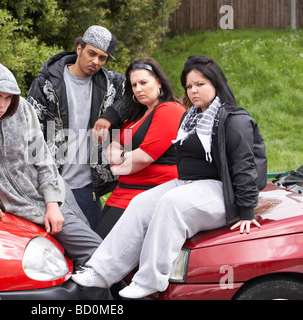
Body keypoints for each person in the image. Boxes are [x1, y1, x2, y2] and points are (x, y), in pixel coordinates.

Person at [72, 55, 267, 299]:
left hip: (223, 190)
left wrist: (247, 210)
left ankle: (150, 280)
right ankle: (101, 271)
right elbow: (128, 103)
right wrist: (112, 116)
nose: (193, 91)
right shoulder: (191, 117)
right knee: (141, 202)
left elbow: (244, 165)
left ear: (216, 83)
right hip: (191, 184)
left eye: (200, 84)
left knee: (171, 203)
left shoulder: (233, 119)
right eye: (189, 86)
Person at [0, 62, 109, 299]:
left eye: (7, 97)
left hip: (49, 201)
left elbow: (43, 158)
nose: (2, 105)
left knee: (97, 254)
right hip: (10, 212)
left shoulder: (22, 109)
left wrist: (52, 203)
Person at [27, 25, 127, 229]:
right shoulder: (46, 83)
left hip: (87, 187)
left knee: (95, 251)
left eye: (102, 58)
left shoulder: (111, 84)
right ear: (79, 48)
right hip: (52, 185)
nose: (96, 62)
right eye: (92, 53)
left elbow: (138, 95)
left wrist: (110, 115)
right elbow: (31, 132)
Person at [95, 57, 186, 239]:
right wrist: (126, 158)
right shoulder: (136, 115)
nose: (138, 89)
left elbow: (145, 156)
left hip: (147, 194)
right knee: (96, 246)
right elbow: (111, 148)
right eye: (134, 85)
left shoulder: (170, 109)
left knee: (103, 250)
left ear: (158, 82)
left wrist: (120, 161)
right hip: (122, 192)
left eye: (144, 82)